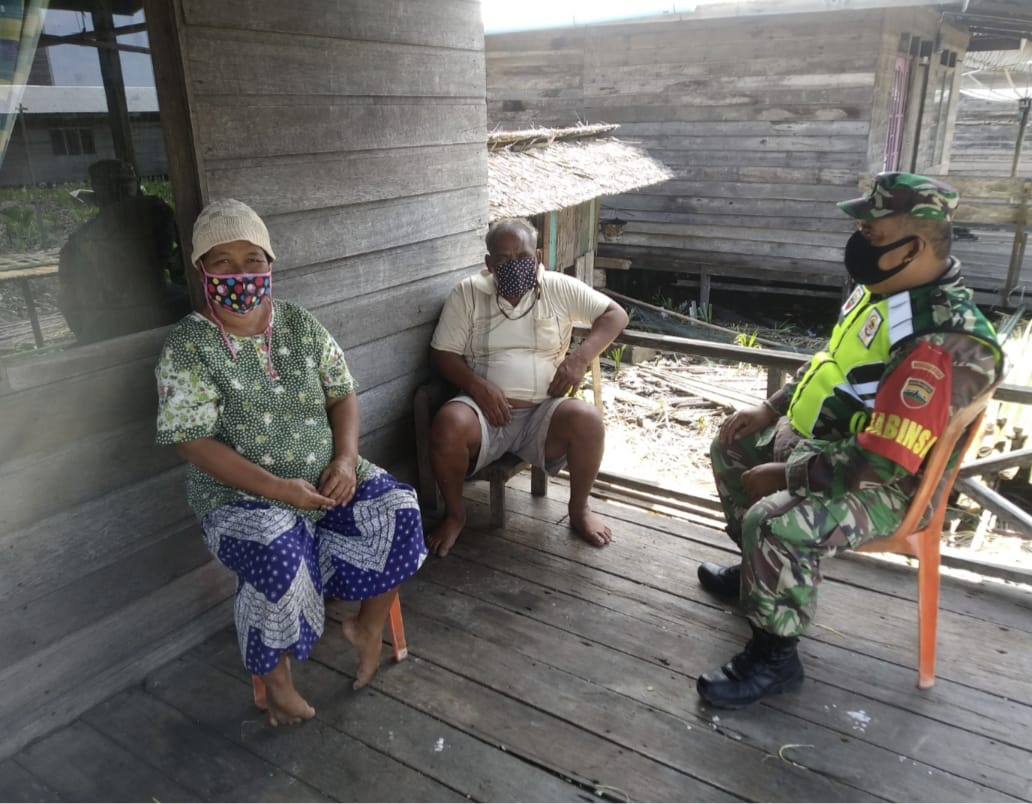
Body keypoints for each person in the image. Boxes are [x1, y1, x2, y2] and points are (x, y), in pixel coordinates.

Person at [696, 173, 1004, 709]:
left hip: (891, 486)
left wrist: (787, 475)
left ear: (916, 247)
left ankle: (774, 656)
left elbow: (883, 461)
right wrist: (771, 408)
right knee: (732, 447)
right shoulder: (885, 292)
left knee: (772, 519)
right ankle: (757, 572)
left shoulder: (940, 340)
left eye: (871, 234)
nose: (858, 244)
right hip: (833, 444)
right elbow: (833, 362)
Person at [154, 199, 426, 726]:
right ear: (202, 270)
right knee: (277, 550)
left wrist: (345, 460)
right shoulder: (189, 346)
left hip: (327, 479)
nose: (240, 274)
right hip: (239, 498)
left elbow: (342, 393)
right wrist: (279, 489)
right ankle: (276, 684)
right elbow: (192, 442)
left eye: (252, 259)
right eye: (223, 262)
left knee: (398, 509)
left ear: (270, 263)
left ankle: (368, 626)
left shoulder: (299, 324)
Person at [426, 217, 629, 557]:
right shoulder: (468, 293)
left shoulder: (559, 287)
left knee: (588, 420)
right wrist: (477, 386)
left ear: (538, 256)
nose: (514, 265)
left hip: (544, 413)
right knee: (448, 424)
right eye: (503, 259)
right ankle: (455, 515)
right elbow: (442, 353)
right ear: (489, 262)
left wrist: (579, 359)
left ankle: (579, 509)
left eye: (522, 256)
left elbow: (615, 314)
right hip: (485, 413)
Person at [59, 159, 188, 343]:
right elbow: (181, 267)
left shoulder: (81, 239)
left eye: (123, 181)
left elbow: (70, 303)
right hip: (157, 314)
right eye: (115, 183)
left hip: (114, 325)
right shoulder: (157, 213)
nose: (118, 187)